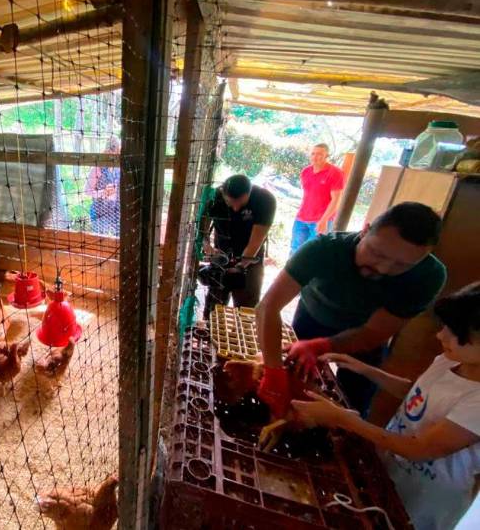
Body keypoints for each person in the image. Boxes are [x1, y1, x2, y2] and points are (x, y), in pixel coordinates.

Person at [292, 282, 480, 530]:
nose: (440, 335)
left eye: (457, 334)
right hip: (392, 467)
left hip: (423, 496)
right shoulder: (449, 360)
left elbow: (420, 449)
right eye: (445, 326)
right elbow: (417, 394)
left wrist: (344, 419)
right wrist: (364, 368)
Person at [256, 202, 447, 417]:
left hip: (364, 334)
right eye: (378, 253)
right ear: (365, 231)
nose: (383, 269)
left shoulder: (428, 276)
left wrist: (322, 345)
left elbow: (373, 333)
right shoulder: (324, 249)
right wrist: (273, 371)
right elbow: (268, 307)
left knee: (352, 406)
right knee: (291, 383)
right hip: (313, 316)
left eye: (402, 266)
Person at [201, 174, 276, 320]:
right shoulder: (214, 198)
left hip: (251, 258)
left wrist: (241, 266)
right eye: (231, 203)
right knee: (214, 307)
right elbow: (202, 231)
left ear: (249, 193)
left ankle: (241, 334)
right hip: (222, 255)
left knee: (246, 309)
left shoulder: (264, 200)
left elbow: (255, 242)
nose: (235, 208)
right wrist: (207, 246)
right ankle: (211, 332)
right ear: (223, 193)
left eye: (241, 204)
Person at [290, 143, 345, 254]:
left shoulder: (335, 173)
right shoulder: (305, 171)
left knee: (313, 252)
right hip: (301, 217)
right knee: (295, 249)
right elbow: (308, 194)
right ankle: (290, 271)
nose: (315, 157)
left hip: (320, 220)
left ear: (327, 156)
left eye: (319, 154)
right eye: (313, 153)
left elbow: (336, 200)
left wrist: (324, 220)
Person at [85, 136, 120, 236]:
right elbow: (87, 191)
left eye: (116, 152)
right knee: (100, 241)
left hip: (115, 211)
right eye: (110, 152)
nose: (113, 156)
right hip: (99, 212)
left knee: (117, 240)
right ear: (105, 151)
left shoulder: (118, 168)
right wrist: (102, 192)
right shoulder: (97, 168)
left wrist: (116, 190)